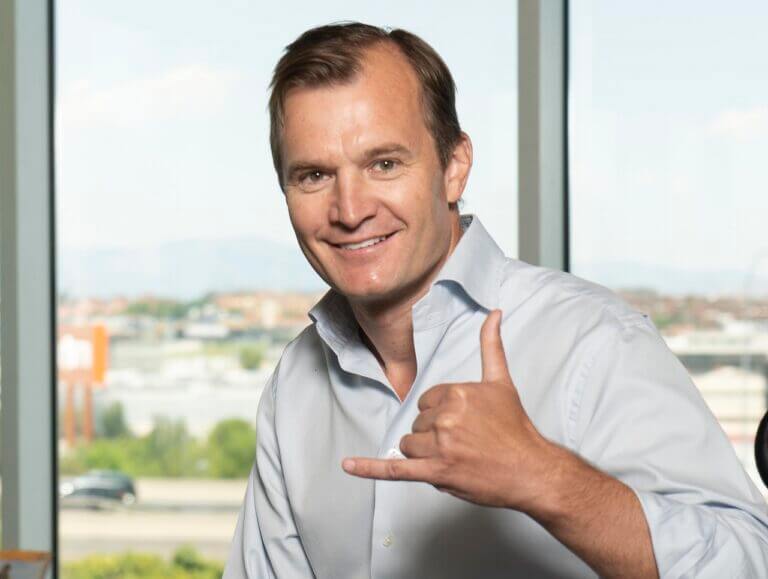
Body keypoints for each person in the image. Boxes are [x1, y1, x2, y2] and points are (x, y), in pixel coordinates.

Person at [224, 22, 768, 578]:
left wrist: (544, 477)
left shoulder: (595, 342)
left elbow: (750, 561)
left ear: (454, 168)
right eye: (314, 175)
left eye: (384, 164)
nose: (350, 209)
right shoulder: (295, 382)